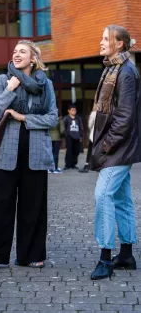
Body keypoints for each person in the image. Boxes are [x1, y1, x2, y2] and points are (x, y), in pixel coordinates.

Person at [0, 40, 58, 273]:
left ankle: (30, 255)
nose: (16, 54)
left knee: (33, 207)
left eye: (22, 51)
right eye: (14, 51)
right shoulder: (2, 81)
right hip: (5, 152)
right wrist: (10, 89)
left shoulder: (46, 85)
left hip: (35, 153)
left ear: (33, 58)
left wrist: (24, 118)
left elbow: (52, 118)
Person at [90, 25, 140, 281]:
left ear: (120, 43)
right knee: (120, 199)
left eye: (106, 38)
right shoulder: (113, 68)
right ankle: (127, 255)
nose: (101, 42)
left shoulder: (126, 72)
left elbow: (125, 117)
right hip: (118, 147)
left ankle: (105, 259)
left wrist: (106, 146)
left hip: (117, 148)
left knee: (103, 196)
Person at [63, 104, 83, 170]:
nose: (74, 111)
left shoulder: (78, 118)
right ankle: (67, 165)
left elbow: (81, 128)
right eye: (72, 110)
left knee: (76, 151)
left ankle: (73, 164)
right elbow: (64, 127)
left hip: (77, 137)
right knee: (69, 151)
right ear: (69, 111)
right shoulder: (66, 118)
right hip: (69, 137)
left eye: (75, 110)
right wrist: (66, 135)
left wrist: (80, 136)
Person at [79, 104, 97, 173]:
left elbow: (90, 124)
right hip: (103, 136)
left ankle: (87, 166)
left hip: (94, 135)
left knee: (90, 151)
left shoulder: (94, 113)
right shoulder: (105, 112)